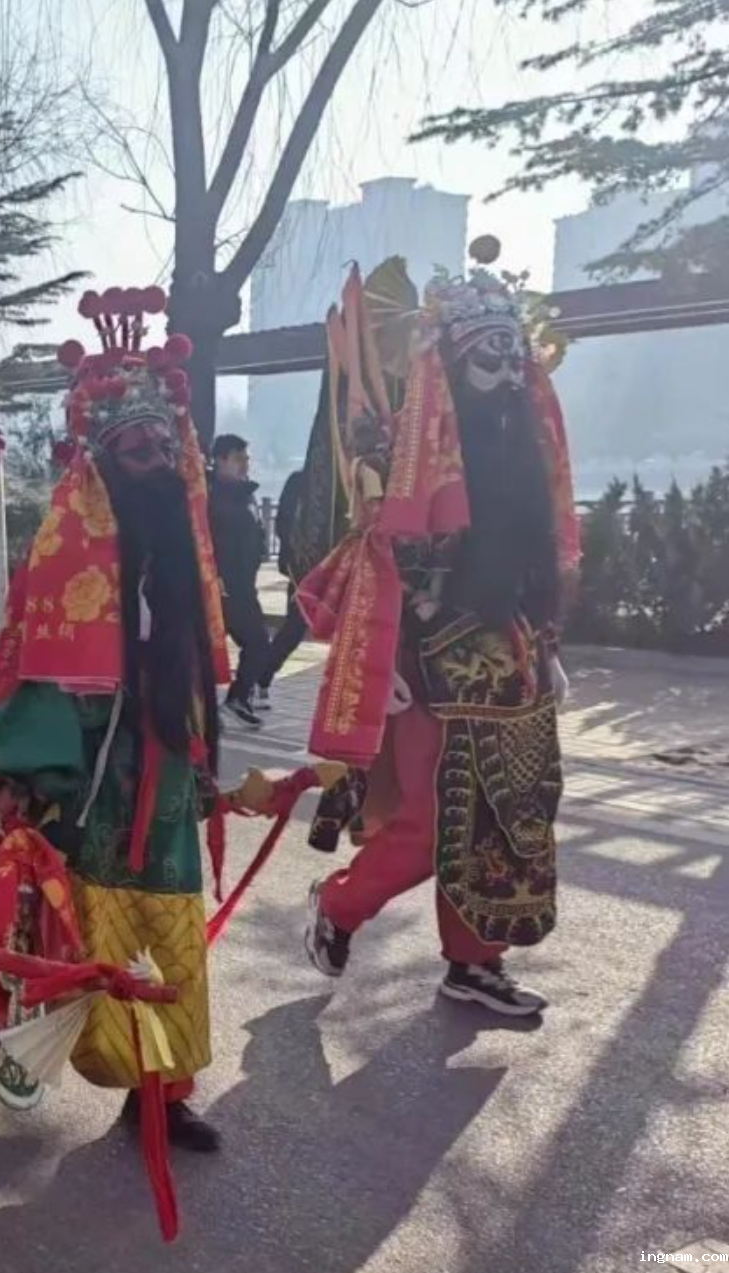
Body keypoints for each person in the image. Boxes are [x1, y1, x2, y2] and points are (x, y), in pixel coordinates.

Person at [0, 285, 232, 1148]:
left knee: (170, 925)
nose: (157, 460)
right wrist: (27, 774)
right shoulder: (64, 544)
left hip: (165, 764)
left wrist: (201, 754)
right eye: (138, 447)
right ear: (103, 457)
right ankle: (1, 1013)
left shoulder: (181, 548)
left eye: (166, 444)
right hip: (84, 769)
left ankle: (162, 1091)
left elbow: (199, 661)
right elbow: (36, 661)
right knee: (60, 915)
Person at [300, 246, 577, 1018]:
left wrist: (547, 646)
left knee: (506, 815)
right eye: (487, 357)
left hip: (514, 658)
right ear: (450, 364)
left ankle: (472, 961)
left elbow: (534, 560)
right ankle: (339, 903)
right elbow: (379, 559)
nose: (507, 374)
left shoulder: (524, 454)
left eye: (514, 357)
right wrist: (380, 657)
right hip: (429, 661)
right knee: (431, 823)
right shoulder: (404, 450)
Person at [208, 434, 268, 726]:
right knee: (252, 641)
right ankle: (221, 703)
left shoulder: (245, 493)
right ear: (220, 460)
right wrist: (214, 574)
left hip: (244, 583)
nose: (244, 464)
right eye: (237, 458)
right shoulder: (209, 495)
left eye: (246, 458)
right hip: (222, 584)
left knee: (257, 642)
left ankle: (238, 696)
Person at [252, 467, 311, 697]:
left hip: (339, 566)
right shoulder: (300, 480)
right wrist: (296, 558)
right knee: (295, 627)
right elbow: (284, 525)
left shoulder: (346, 475)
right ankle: (262, 676)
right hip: (304, 569)